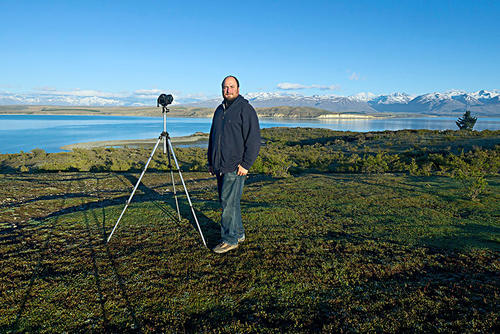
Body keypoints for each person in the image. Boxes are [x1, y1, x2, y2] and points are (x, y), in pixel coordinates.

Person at [208, 75, 261, 254]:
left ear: (238, 89)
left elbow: (254, 140)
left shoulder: (245, 109)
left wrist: (246, 164)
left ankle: (229, 240)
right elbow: (213, 137)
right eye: (225, 87)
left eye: (231, 86)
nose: (228, 90)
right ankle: (238, 234)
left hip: (235, 166)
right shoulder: (219, 110)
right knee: (232, 203)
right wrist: (211, 161)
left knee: (228, 203)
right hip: (220, 165)